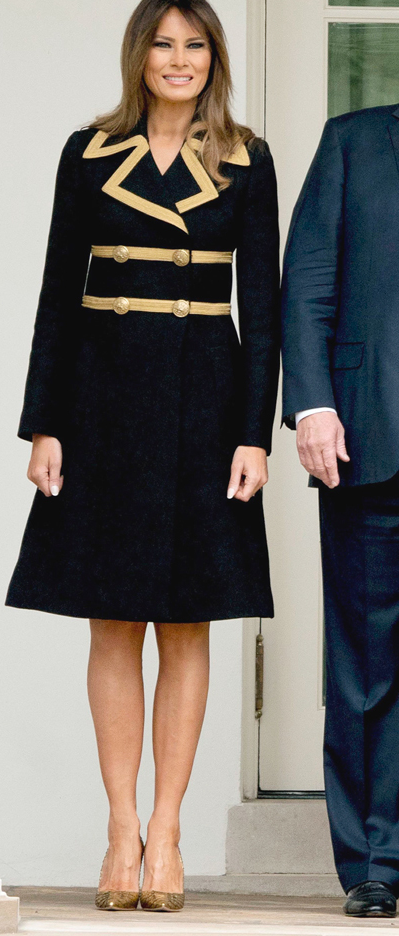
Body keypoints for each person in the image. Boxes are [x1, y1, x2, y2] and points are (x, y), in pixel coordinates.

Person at [5, 0, 280, 912]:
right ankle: (120, 830)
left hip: (206, 402)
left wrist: (253, 435)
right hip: (103, 402)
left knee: (188, 621)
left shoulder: (246, 159)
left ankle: (168, 834)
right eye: (163, 44)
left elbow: (265, 312)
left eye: (195, 45)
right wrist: (45, 423)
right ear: (140, 55)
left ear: (213, 60)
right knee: (113, 621)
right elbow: (56, 293)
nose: (179, 60)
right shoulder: (87, 154)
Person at [281, 103, 399, 918]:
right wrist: (314, 403)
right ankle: (374, 862)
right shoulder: (353, 143)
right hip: (370, 437)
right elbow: (309, 282)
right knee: (365, 669)